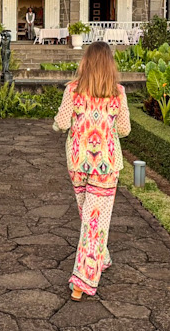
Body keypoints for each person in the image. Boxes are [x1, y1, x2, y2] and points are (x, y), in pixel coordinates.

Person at [52, 42, 131, 301]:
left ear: (85, 62)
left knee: (90, 218)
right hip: (106, 165)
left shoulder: (72, 91)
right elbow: (124, 130)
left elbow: (62, 123)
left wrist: (59, 124)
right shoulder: (118, 93)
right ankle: (98, 258)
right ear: (110, 65)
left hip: (78, 161)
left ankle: (83, 279)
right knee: (94, 220)